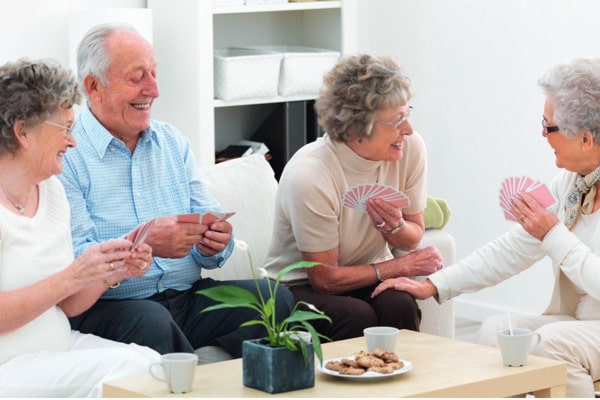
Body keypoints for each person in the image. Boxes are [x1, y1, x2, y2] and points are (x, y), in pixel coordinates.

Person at [58, 22, 294, 359]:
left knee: (275, 297)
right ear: (94, 87)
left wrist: (215, 242)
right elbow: (77, 260)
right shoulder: (67, 154)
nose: (153, 89)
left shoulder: (171, 142)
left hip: (188, 295)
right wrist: (144, 241)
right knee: (152, 320)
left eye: (154, 74)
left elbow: (210, 240)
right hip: (116, 304)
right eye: (137, 77)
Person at [372, 58, 600, 397]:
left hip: (582, 331)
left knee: (550, 344)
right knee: (496, 331)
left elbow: (557, 244)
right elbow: (512, 250)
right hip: (582, 325)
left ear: (585, 139)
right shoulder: (570, 184)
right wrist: (434, 284)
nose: (542, 134)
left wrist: (554, 235)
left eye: (548, 126)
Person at [0, 58, 159, 397]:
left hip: (57, 350)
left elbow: (67, 306)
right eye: (65, 129)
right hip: (8, 366)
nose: (73, 143)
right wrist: (72, 275)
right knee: (132, 370)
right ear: (23, 132)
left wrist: (111, 270)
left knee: (153, 364)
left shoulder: (53, 193)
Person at [263, 54, 443, 341]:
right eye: (397, 121)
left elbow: (413, 237)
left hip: (367, 273)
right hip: (298, 285)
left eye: (407, 114)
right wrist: (400, 266)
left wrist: (396, 228)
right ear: (355, 130)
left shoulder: (411, 148)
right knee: (356, 316)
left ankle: (405, 384)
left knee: (399, 303)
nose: (408, 130)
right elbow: (324, 279)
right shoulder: (311, 174)